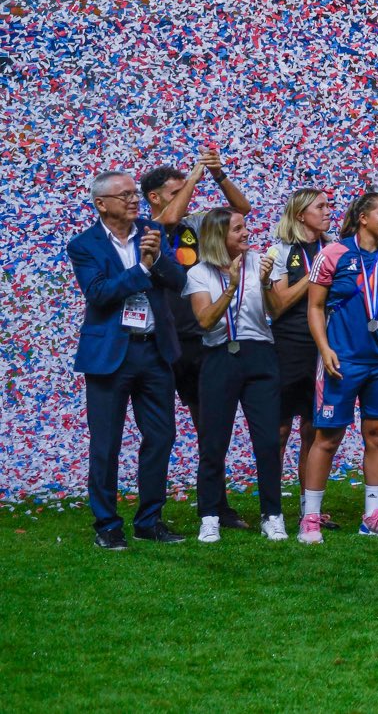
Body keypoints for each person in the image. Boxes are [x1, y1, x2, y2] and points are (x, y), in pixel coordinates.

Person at [71, 171, 184, 549]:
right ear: (102, 204)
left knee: (161, 436)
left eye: (135, 193)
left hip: (153, 350)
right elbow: (99, 293)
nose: (134, 200)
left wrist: (158, 260)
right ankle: (107, 524)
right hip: (109, 356)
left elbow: (179, 280)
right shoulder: (84, 245)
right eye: (124, 195)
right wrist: (143, 269)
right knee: (106, 444)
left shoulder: (153, 231)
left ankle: (149, 520)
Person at [300, 191, 378, 543]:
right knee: (327, 438)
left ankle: (372, 516)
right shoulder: (333, 254)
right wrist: (325, 348)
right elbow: (315, 308)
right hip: (342, 360)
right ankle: (311, 518)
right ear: (363, 218)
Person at [183, 207, 286, 542]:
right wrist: (230, 287)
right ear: (219, 237)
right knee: (213, 442)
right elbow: (204, 321)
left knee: (268, 441)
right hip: (219, 357)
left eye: (245, 227)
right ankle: (210, 515)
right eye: (238, 229)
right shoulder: (199, 273)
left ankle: (273, 515)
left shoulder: (260, 262)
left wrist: (267, 282)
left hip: (260, 355)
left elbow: (276, 310)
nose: (246, 233)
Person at [141, 152, 252, 451]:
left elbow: (241, 209)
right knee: (162, 423)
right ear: (153, 197)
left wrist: (218, 175)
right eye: (176, 193)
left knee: (207, 416)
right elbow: (171, 218)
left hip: (198, 334)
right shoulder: (146, 228)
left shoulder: (195, 225)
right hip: (162, 336)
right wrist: (192, 178)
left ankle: (211, 488)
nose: (187, 197)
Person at [262, 188, 331, 518]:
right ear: (301, 214)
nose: (327, 210)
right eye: (320, 206)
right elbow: (277, 305)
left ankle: (309, 507)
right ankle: (271, 508)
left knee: (313, 429)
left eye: (328, 205)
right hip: (287, 346)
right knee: (279, 429)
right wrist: (315, 271)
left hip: (324, 347)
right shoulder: (280, 250)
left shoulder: (335, 249)